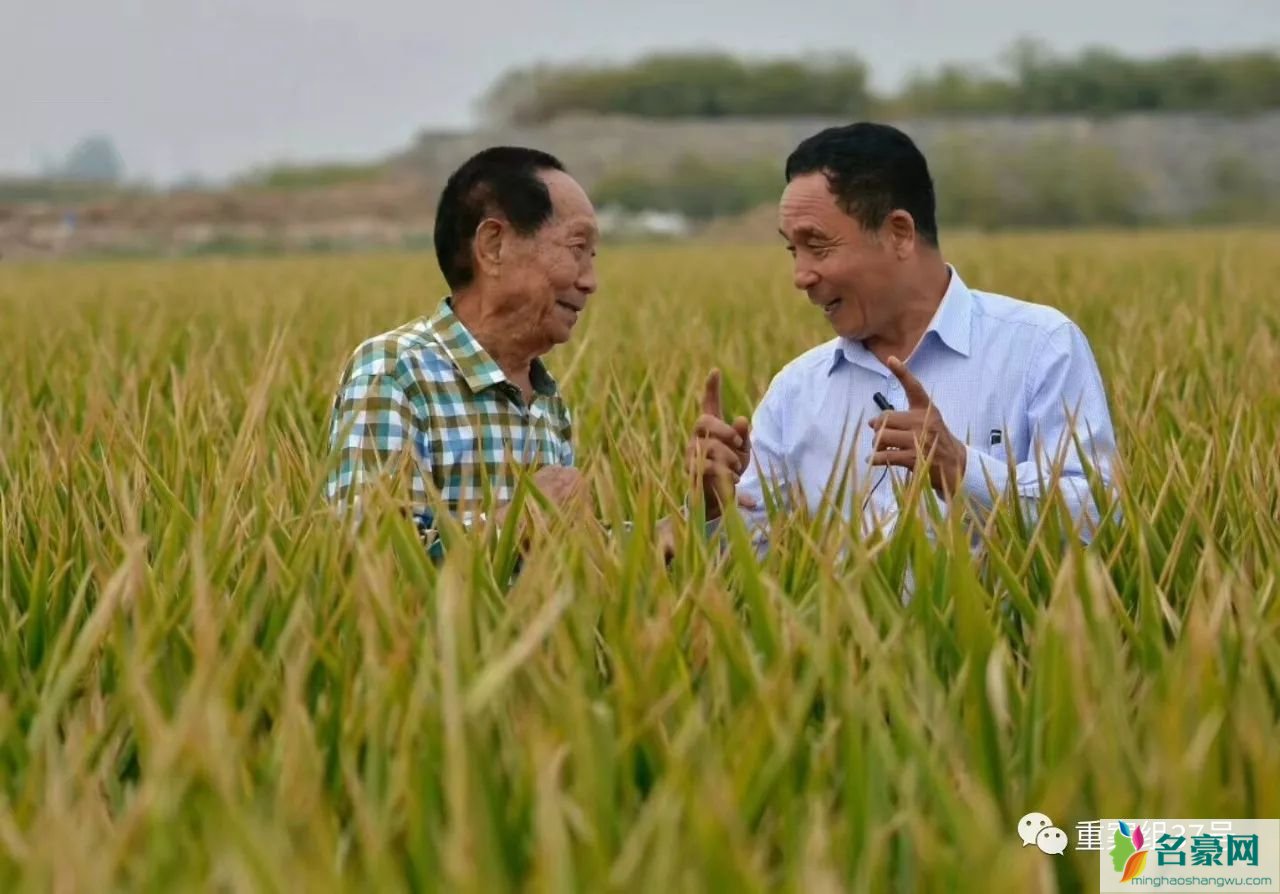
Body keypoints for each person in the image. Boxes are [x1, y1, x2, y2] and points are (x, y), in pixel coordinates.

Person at [687, 122, 1118, 545]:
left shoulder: (1039, 347)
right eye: (792, 250)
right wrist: (711, 509)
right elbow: (758, 567)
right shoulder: (796, 391)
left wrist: (964, 472)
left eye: (817, 246)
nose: (801, 275)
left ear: (899, 233)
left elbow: (1101, 517)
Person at [325, 146, 598, 555]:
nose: (590, 281)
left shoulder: (546, 399)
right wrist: (514, 522)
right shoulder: (395, 371)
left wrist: (697, 515)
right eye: (577, 249)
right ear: (493, 246)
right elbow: (368, 548)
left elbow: (570, 552)